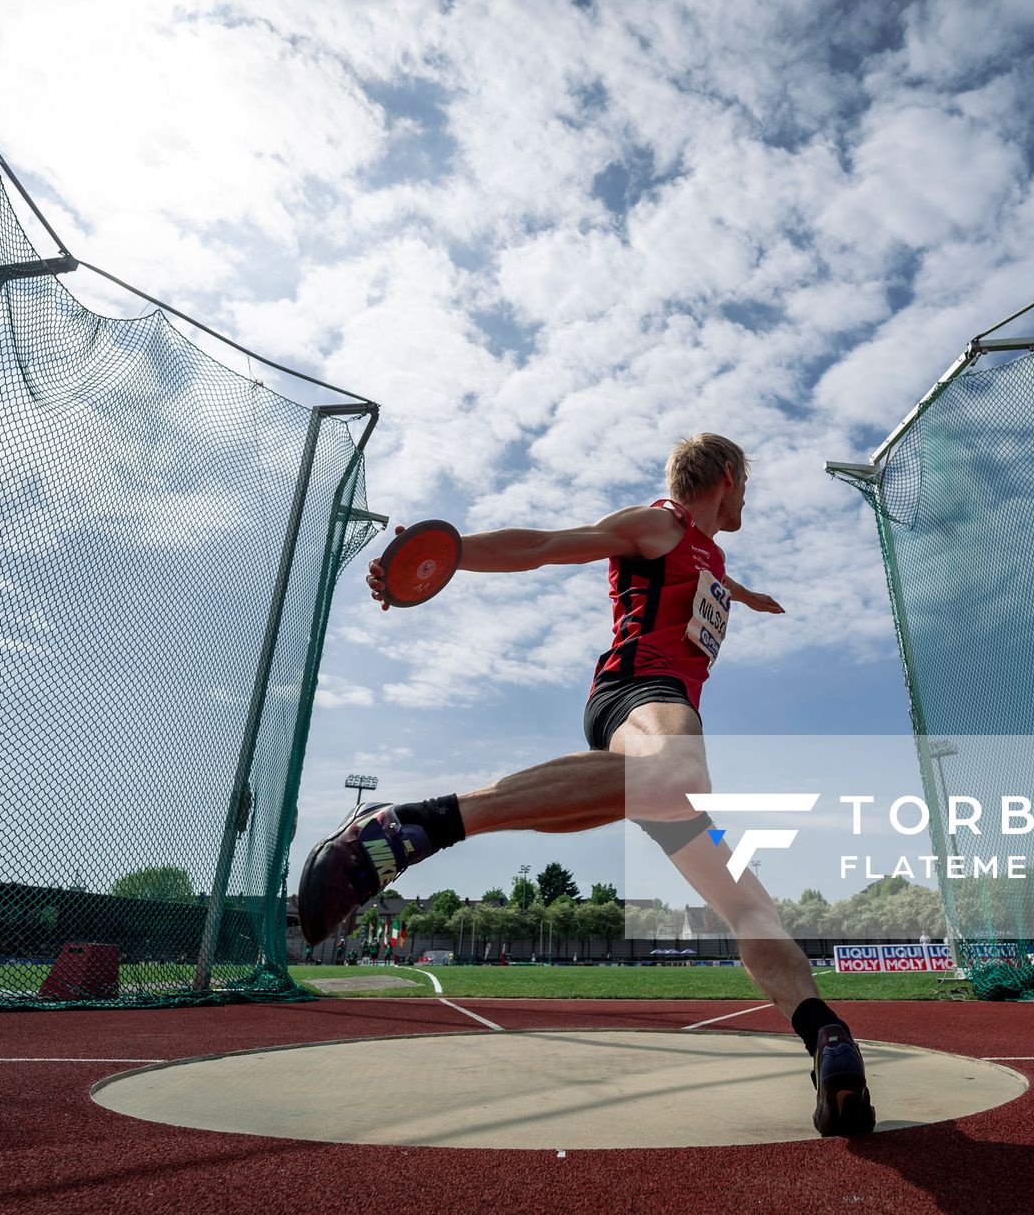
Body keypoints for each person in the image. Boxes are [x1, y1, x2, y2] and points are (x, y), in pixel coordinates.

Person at [298, 434, 874, 1135]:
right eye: (746, 484)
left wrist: (743, 595)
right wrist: (448, 552)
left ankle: (826, 1038)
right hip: (638, 694)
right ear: (728, 475)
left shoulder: (708, 556)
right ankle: (412, 825)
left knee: (750, 907)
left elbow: (705, 589)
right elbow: (547, 544)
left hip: (662, 709)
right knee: (679, 776)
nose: (748, 498)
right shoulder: (660, 525)